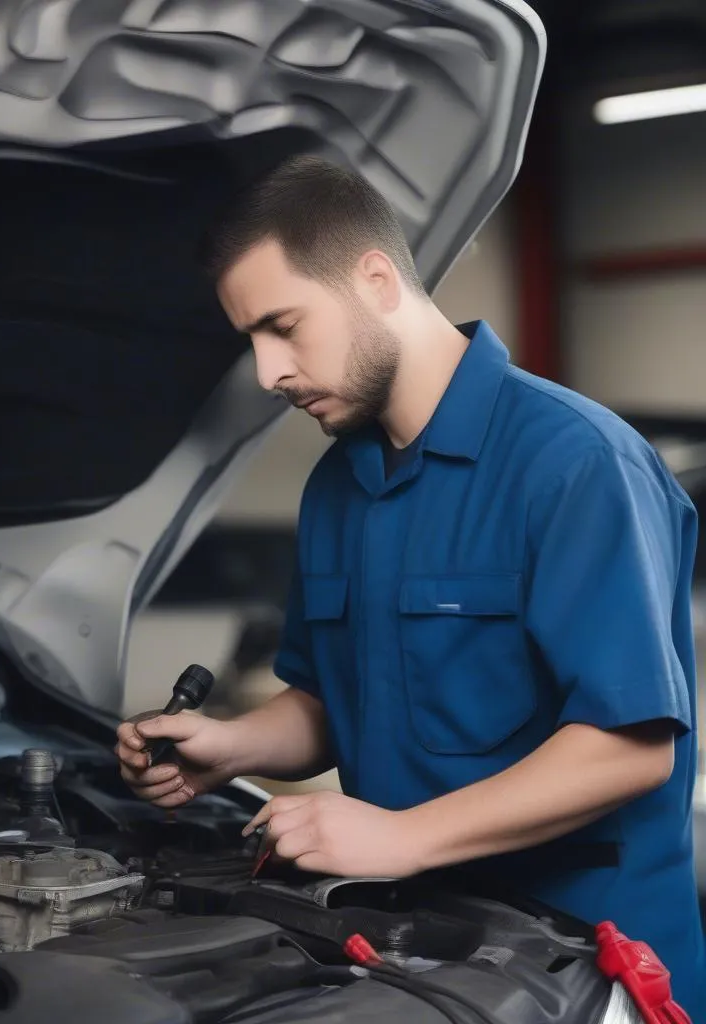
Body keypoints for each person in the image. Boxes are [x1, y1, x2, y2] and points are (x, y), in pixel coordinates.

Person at [115, 154, 705, 1016]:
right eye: (250, 340)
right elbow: (333, 697)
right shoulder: (338, 484)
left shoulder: (577, 462)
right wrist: (233, 745)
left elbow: (630, 746)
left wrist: (402, 835)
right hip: (411, 947)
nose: (267, 372)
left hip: (586, 964)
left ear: (377, 279)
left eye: (283, 326)